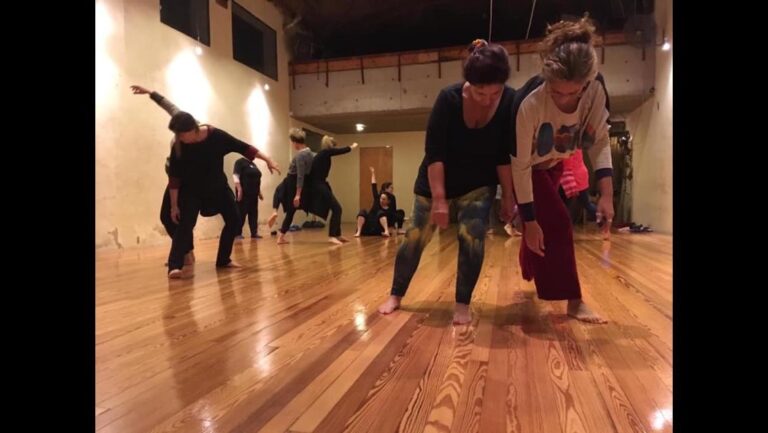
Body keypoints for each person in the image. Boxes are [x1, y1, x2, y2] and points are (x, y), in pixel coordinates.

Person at [377, 39, 516, 324]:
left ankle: (462, 303)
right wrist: (439, 199)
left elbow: (504, 155)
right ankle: (396, 294)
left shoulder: (509, 101)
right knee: (415, 237)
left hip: (479, 183)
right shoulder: (448, 99)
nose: (488, 99)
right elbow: (435, 153)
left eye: (495, 92)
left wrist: (509, 196)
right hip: (435, 181)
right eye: (480, 92)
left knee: (473, 239)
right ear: (468, 83)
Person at [510, 17, 612, 323]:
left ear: (586, 83)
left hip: (556, 163)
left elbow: (599, 140)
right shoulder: (528, 102)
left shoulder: (595, 90)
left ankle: (528, 263)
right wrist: (529, 219)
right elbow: (520, 166)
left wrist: (606, 194)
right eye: (557, 92)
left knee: (540, 225)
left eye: (573, 92)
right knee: (557, 223)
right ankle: (574, 301)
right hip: (528, 167)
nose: (565, 99)